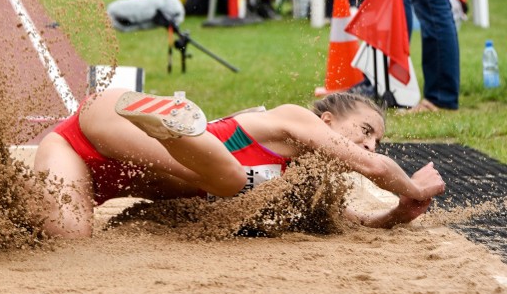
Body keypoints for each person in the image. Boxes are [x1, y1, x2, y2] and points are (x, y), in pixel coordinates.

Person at [33, 88, 445, 239]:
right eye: (366, 131)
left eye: (377, 141)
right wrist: (414, 188)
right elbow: (376, 169)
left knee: (65, 239)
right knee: (230, 179)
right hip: (106, 123)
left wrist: (399, 212)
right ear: (328, 122)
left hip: (81, 164)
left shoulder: (304, 182)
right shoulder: (294, 122)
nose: (371, 145)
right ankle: (171, 120)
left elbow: (346, 222)